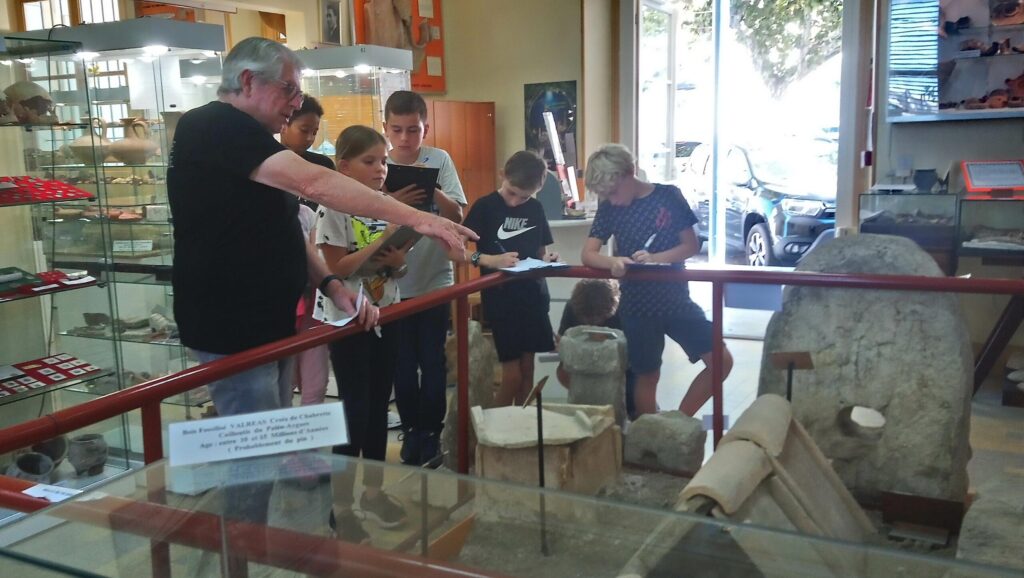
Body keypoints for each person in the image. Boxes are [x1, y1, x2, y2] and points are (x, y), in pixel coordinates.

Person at [167, 37, 474, 528]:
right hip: (232, 329)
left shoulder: (255, 145)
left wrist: (332, 286)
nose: (296, 102)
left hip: (269, 328)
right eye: (288, 89)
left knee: (268, 453)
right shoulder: (213, 125)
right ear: (247, 81)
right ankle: (241, 551)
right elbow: (316, 184)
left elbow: (290, 233)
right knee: (253, 464)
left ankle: (259, 542)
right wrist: (418, 218)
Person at [580, 143, 733, 417]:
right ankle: (651, 432)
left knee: (721, 361)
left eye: (613, 192)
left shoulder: (668, 196)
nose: (612, 200)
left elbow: (690, 245)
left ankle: (678, 421)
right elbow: (588, 254)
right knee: (647, 375)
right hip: (636, 305)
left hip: (676, 300)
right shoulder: (609, 208)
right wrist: (613, 262)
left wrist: (655, 258)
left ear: (628, 174)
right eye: (606, 195)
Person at [316, 125, 412, 542]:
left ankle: (373, 492)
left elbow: (393, 267)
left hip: (386, 312)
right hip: (348, 320)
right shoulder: (332, 208)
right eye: (369, 161)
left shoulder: (384, 204)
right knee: (354, 411)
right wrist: (383, 241)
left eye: (384, 161)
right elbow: (336, 268)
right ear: (344, 166)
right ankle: (340, 506)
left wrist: (397, 260)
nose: (380, 169)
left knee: (378, 407)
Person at [383, 90, 467, 466]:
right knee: (402, 364)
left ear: (425, 129)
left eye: (413, 130)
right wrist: (394, 201)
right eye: (397, 129)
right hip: (393, 283)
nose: (405, 138)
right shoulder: (379, 164)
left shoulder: (440, 159)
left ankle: (431, 432)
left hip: (435, 278)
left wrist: (431, 190)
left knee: (433, 361)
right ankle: (411, 429)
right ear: (385, 128)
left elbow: (458, 215)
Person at [463, 150, 558, 406]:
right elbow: (457, 250)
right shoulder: (485, 206)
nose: (515, 202)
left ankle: (522, 427)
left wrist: (548, 259)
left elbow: (540, 251)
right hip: (502, 301)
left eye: (524, 196)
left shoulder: (536, 208)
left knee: (528, 373)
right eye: (511, 192)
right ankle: (495, 428)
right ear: (502, 175)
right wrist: (489, 260)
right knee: (512, 377)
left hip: (533, 298)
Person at [280, 95, 333, 407]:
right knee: (283, 378)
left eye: (315, 131)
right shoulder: (268, 163)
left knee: (315, 378)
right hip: (284, 286)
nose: (311, 137)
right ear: (284, 124)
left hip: (318, 283)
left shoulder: (322, 165)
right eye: (304, 130)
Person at [555, 278, 637, 420]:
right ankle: (585, 409)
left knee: (632, 393)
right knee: (563, 372)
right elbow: (562, 340)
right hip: (582, 363)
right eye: (588, 317)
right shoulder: (573, 307)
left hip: (620, 368)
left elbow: (634, 349)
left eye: (599, 316)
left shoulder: (623, 309)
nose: (594, 321)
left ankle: (630, 413)